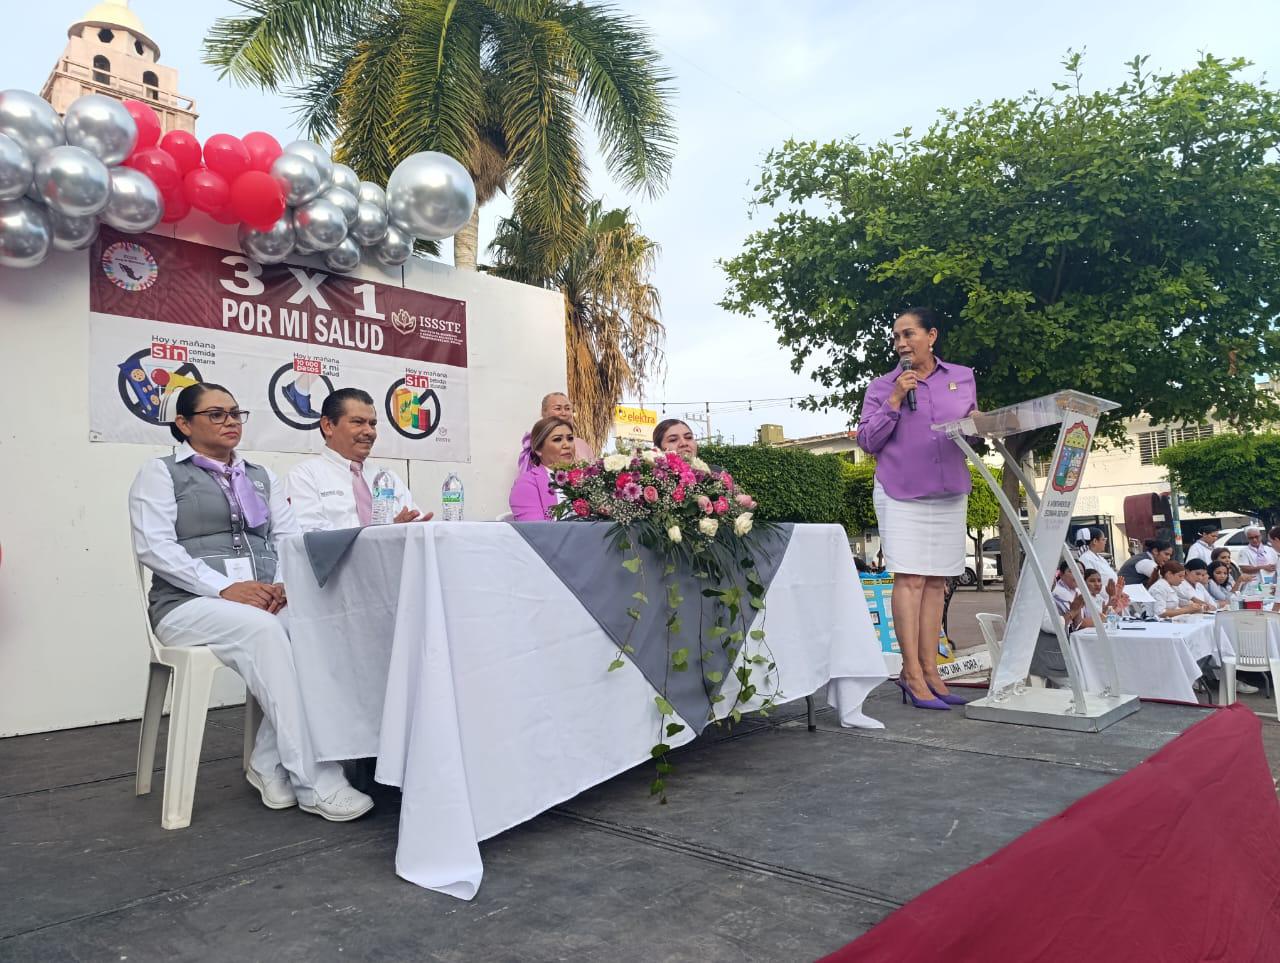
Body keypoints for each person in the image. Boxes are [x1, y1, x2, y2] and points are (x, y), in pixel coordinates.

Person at [129, 383, 374, 821]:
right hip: (187, 606)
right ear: (184, 424)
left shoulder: (262, 476)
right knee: (264, 631)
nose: (230, 422)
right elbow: (155, 548)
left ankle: (266, 762)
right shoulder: (161, 473)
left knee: (311, 627)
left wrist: (281, 586)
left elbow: (286, 539)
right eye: (217, 414)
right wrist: (222, 588)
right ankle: (316, 779)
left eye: (236, 413)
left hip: (260, 600)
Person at [857, 307, 977, 709]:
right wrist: (894, 399)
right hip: (901, 490)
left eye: (908, 334)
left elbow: (969, 434)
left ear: (932, 336)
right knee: (909, 579)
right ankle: (910, 672)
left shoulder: (962, 377)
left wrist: (981, 427)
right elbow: (868, 442)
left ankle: (931, 670)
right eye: (896, 337)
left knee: (937, 581)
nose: (901, 343)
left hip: (948, 490)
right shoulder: (882, 386)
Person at [287, 388, 432, 532]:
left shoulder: (386, 477)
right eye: (358, 422)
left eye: (373, 424)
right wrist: (384, 533)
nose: (369, 431)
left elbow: (415, 524)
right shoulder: (304, 476)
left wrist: (416, 528)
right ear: (328, 426)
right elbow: (311, 537)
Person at [510, 416, 576, 521]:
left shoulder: (584, 478)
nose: (567, 445)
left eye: (570, 438)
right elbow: (536, 532)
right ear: (538, 450)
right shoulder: (526, 484)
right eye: (557, 439)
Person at [517, 392, 594, 470]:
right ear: (544, 412)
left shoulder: (582, 444)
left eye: (567, 408)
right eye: (558, 408)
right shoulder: (536, 443)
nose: (564, 413)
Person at [1076, 527, 1121, 603]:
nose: (1105, 542)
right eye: (1103, 539)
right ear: (1095, 541)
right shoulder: (1085, 558)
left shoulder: (1100, 558)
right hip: (1100, 601)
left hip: (1111, 598)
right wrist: (1113, 593)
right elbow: (1091, 583)